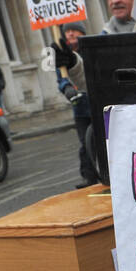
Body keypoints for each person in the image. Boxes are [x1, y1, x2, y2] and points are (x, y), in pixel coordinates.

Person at [52, 23, 100, 189]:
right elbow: (62, 78)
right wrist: (66, 88)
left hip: (97, 104)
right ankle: (88, 176)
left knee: (102, 140)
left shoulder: (90, 50)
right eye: (67, 31)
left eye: (74, 30)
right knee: (84, 143)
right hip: (80, 106)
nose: (70, 34)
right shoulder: (62, 57)